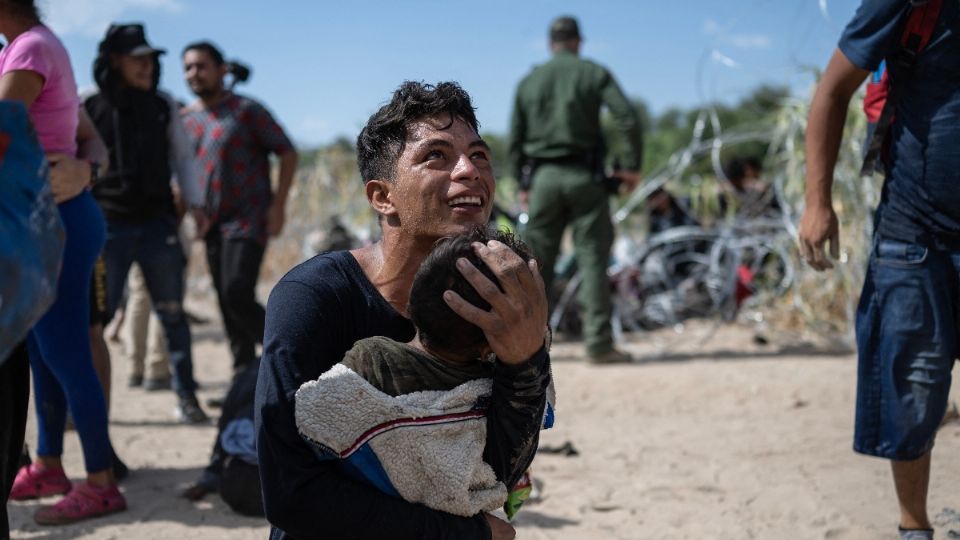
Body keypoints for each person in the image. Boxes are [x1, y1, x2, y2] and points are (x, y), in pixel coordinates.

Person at [256, 81, 551, 540]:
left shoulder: (496, 299)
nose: (470, 170)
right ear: (382, 196)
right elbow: (290, 492)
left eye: (479, 155)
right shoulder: (313, 297)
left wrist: (525, 361)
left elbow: (497, 472)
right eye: (437, 155)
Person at [797, 1, 960, 539]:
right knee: (910, 393)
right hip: (915, 232)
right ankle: (915, 527)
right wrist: (817, 201)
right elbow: (832, 89)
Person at [296, 227, 552, 519]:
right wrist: (526, 358)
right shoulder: (491, 393)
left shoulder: (372, 356)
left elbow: (318, 416)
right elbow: (509, 461)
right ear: (487, 349)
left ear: (411, 301)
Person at [0, 0, 127, 524]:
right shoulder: (31, 45)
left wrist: (84, 168)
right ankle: (49, 463)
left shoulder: (29, 48)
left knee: (65, 349)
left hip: (53, 221)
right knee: (42, 350)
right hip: (53, 217)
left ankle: (100, 482)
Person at [84, 23, 210, 423]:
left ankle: (186, 397)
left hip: (158, 226)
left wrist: (196, 203)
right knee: (94, 322)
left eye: (150, 59)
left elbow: (183, 158)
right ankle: (86, 406)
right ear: (113, 60)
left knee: (172, 315)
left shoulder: (162, 105)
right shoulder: (88, 104)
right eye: (136, 58)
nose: (146, 66)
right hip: (106, 228)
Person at [508, 15, 642, 364]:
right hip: (586, 179)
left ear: (551, 44)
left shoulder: (529, 82)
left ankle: (526, 345)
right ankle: (598, 345)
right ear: (578, 42)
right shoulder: (593, 72)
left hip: (543, 181)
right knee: (594, 259)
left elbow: (515, 140)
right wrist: (629, 166)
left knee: (535, 265)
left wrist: (523, 184)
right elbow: (626, 118)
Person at [181, 41, 298, 374]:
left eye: (201, 66)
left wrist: (278, 207)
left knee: (236, 293)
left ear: (221, 69)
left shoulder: (247, 110)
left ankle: (295, 349)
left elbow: (287, 152)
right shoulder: (187, 120)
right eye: (188, 68)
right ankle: (244, 379)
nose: (194, 74)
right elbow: (184, 171)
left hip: (249, 218)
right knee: (224, 301)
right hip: (211, 224)